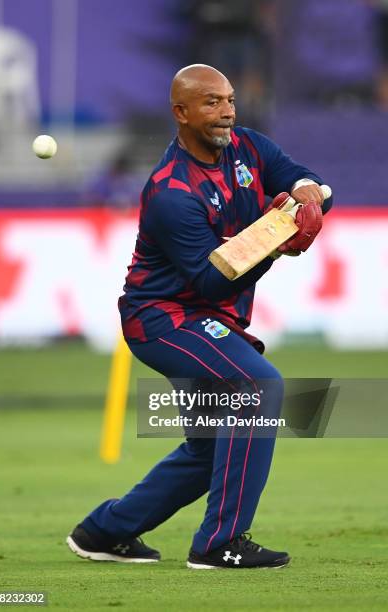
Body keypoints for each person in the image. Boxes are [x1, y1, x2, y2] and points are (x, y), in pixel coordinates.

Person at [66, 65, 332, 569]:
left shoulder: (249, 148)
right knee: (257, 387)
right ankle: (219, 543)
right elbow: (211, 281)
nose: (227, 110)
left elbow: (309, 181)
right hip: (164, 319)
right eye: (211, 102)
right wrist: (277, 239)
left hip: (206, 317)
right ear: (180, 113)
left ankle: (105, 531)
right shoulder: (170, 191)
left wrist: (307, 196)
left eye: (229, 99)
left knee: (211, 447)